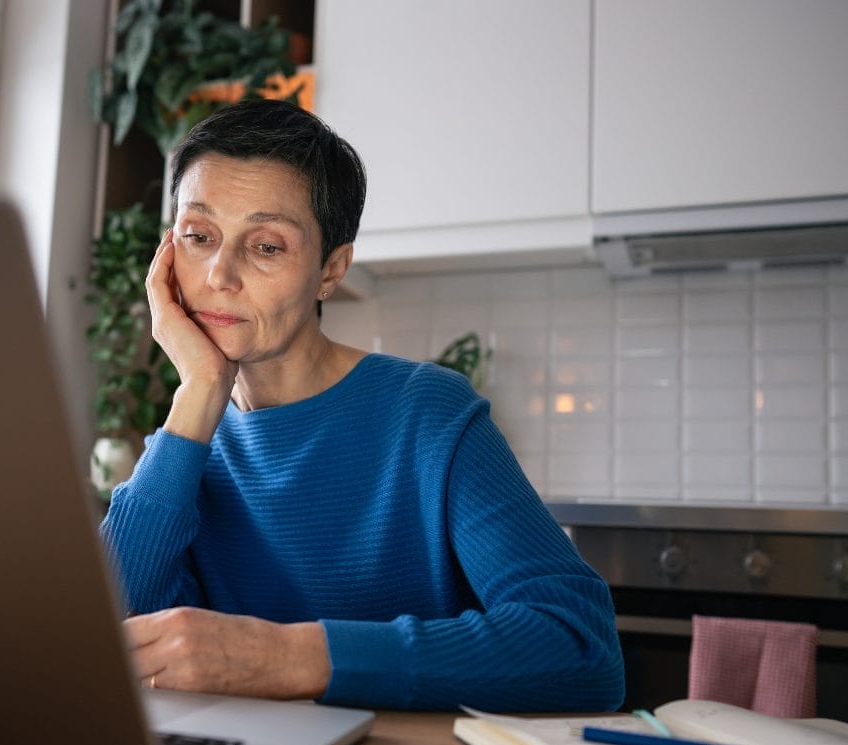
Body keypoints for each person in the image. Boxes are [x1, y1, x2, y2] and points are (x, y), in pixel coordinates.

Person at [101, 99, 624, 712]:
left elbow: (583, 650)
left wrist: (288, 658)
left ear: (331, 269)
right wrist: (198, 394)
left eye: (266, 246)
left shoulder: (427, 414)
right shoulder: (188, 443)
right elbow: (105, 635)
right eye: (198, 236)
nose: (219, 274)